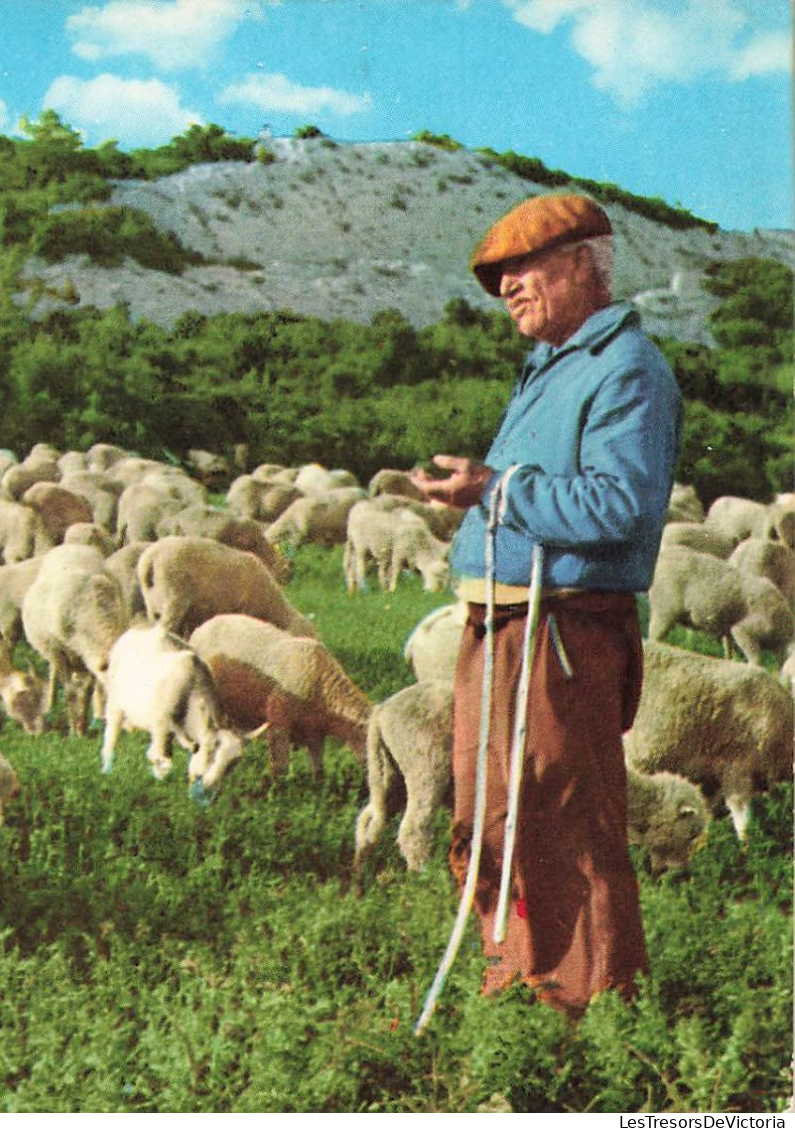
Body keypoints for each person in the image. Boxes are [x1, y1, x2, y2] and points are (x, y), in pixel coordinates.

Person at [411, 193, 682, 1017]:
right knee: (497, 814)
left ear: (579, 265)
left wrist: (494, 487)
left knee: (563, 821)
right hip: (502, 624)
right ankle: (521, 978)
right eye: (497, 279)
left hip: (558, 632)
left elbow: (618, 507)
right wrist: (482, 496)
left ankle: (590, 1004)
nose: (505, 290)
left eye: (521, 270)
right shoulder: (553, 368)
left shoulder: (624, 369)